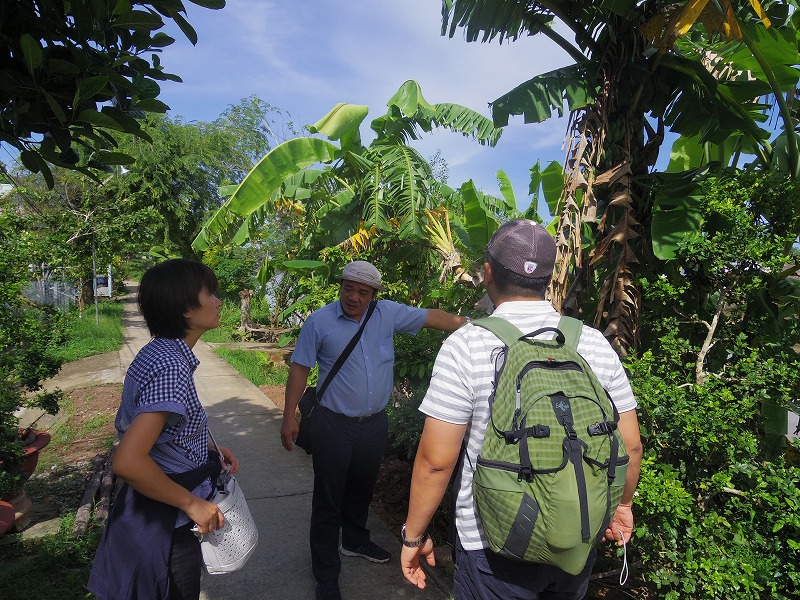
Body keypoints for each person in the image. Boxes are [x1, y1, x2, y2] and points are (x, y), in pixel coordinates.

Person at [399, 219, 644, 599]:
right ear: (548, 278)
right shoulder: (592, 342)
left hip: (493, 546)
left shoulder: (467, 345)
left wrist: (413, 537)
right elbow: (630, 447)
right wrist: (622, 505)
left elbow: (436, 461)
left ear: (487, 273)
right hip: (578, 536)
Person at [280, 260, 467, 600]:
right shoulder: (319, 322)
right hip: (333, 424)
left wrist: (472, 327)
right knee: (328, 499)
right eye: (347, 288)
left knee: (362, 488)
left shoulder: (387, 314)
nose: (352, 297)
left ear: (373, 295)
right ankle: (325, 573)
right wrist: (288, 415)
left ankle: (354, 540)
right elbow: (299, 369)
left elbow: (432, 317)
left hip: (374, 423)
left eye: (362, 292)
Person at [88, 259, 239, 600]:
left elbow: (159, 431)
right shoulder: (172, 367)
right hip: (164, 527)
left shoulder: (158, 352)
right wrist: (192, 504)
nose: (218, 302)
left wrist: (206, 449)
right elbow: (127, 461)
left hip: (147, 515)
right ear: (186, 308)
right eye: (210, 293)